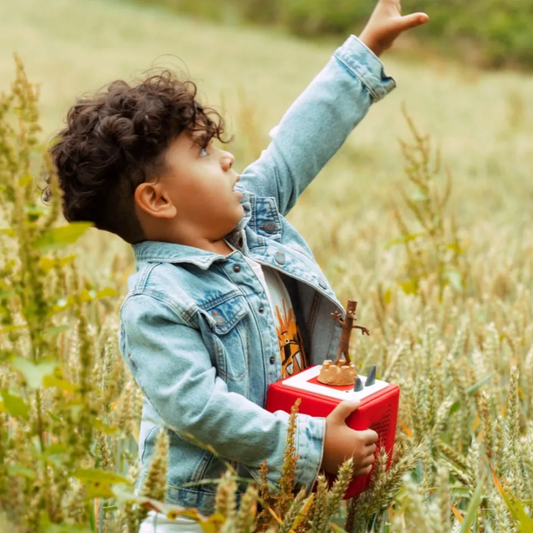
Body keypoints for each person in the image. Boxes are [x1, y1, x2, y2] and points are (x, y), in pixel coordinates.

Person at [49, 1, 429, 530]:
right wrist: (312, 446)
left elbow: (297, 145)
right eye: (203, 152)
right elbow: (201, 410)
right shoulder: (157, 302)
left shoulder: (251, 216)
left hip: (285, 505)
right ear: (157, 200)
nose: (227, 158)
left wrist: (366, 51)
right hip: (200, 517)